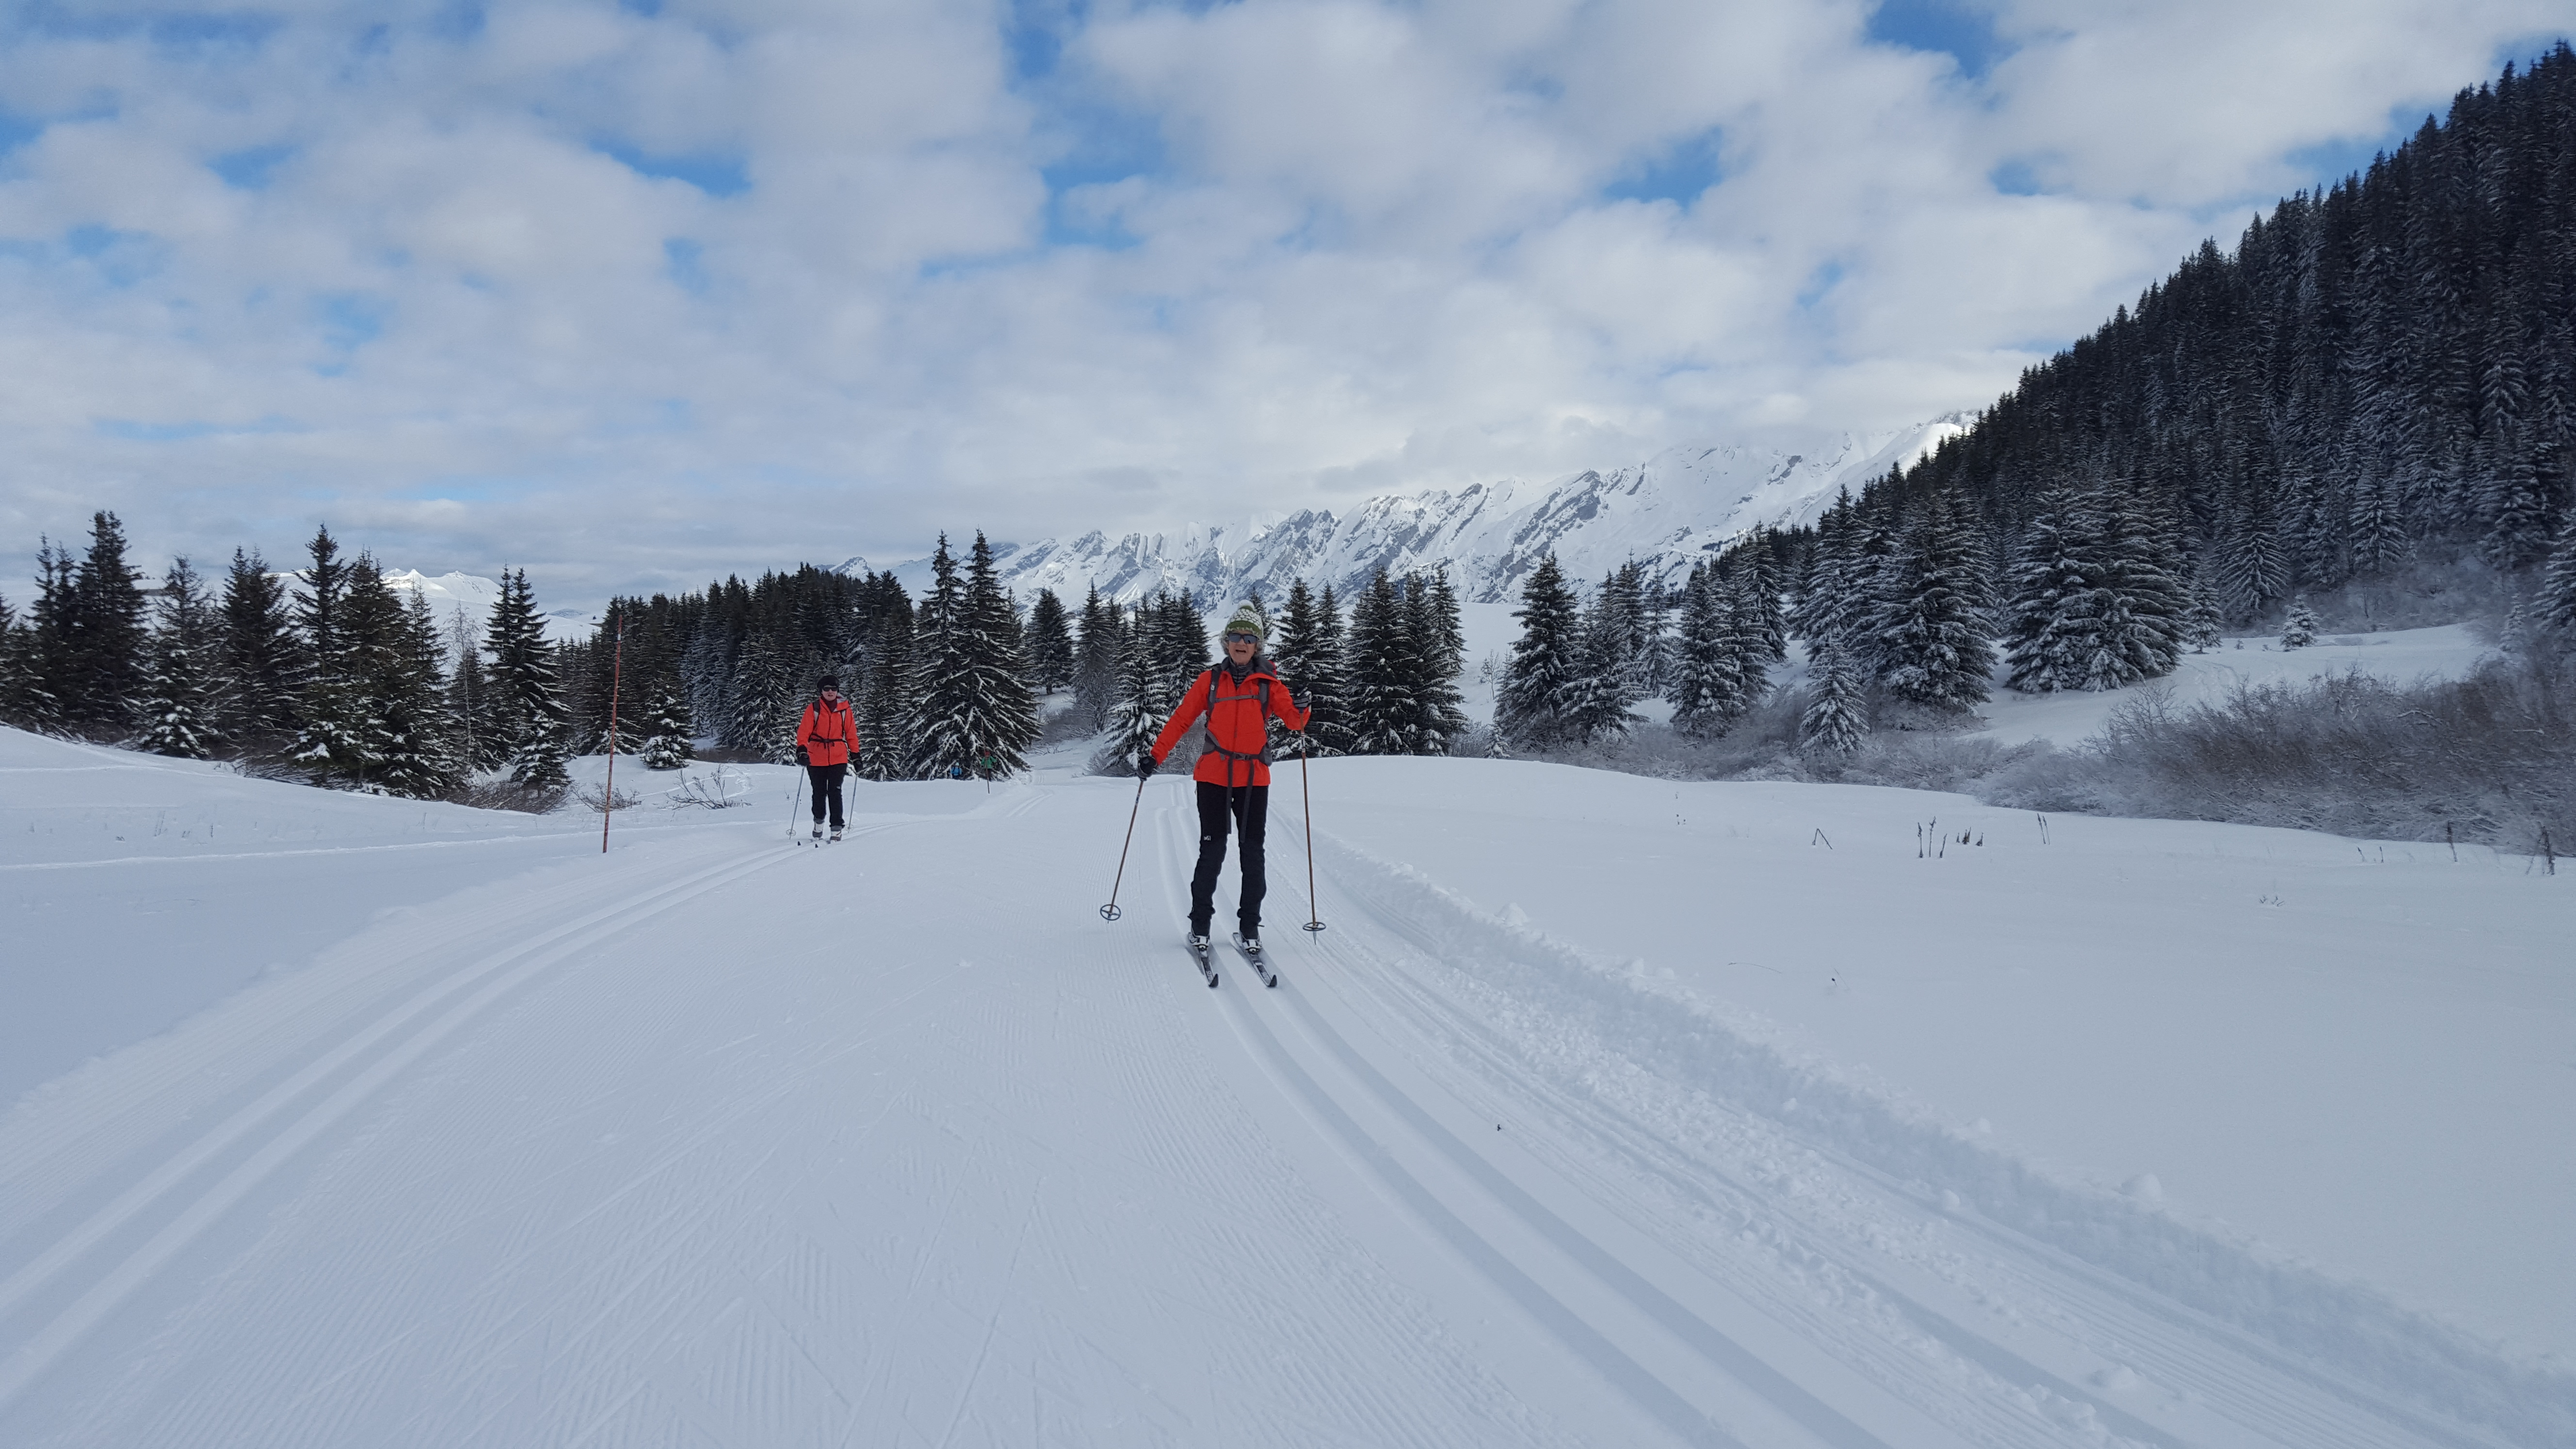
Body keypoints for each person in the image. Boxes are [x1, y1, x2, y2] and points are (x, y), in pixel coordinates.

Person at [1144, 606, 1308, 954]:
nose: (1241, 643)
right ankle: (1200, 926)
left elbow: (1295, 722)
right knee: (1213, 849)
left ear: (1257, 646)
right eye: (1235, 637)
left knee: (1252, 853)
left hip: (1253, 780)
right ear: (1226, 642)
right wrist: (1155, 757)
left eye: (1249, 639)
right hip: (1214, 777)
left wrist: (1305, 706)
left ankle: (1250, 928)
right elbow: (1180, 720)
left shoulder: (1269, 683)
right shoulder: (1210, 681)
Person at [796, 676, 859, 840]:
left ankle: (836, 827)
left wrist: (856, 755)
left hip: (838, 756)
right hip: (815, 757)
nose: (830, 692)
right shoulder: (814, 709)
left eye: (833, 688)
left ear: (838, 690)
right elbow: (804, 731)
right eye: (826, 689)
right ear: (821, 691)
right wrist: (802, 750)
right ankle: (819, 822)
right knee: (819, 792)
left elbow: (851, 734)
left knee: (835, 791)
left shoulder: (845, 710)